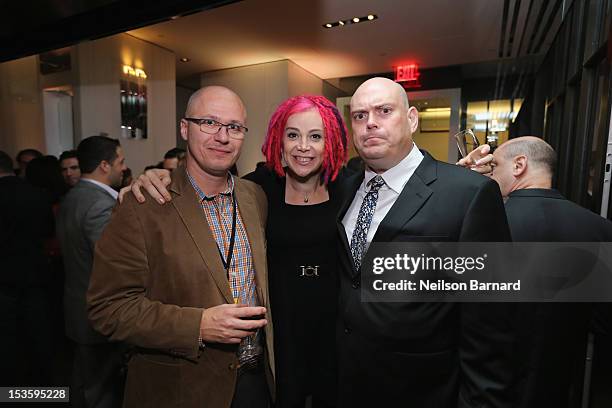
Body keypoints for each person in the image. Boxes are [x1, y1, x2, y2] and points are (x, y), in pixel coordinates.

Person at [123, 94, 348, 408]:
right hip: (277, 334)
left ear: (331, 142)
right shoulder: (260, 187)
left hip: (334, 332)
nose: (303, 146)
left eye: (316, 136)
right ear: (278, 140)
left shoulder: (349, 188)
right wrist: (155, 176)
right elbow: (197, 187)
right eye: (293, 135)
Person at [87, 86, 273, 408]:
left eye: (234, 127)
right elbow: (108, 308)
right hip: (182, 389)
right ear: (185, 128)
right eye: (209, 123)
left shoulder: (254, 196)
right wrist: (197, 326)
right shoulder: (143, 203)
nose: (222, 136)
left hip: (255, 382)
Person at [336, 77, 512, 407]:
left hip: (425, 391)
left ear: (412, 119)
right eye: (359, 116)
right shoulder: (344, 190)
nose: (370, 122)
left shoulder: (468, 195)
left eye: (384, 111)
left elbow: (490, 328)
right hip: (347, 386)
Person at [459, 136, 612, 407]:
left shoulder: (484, 223)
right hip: (558, 381)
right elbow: (603, 322)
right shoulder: (599, 228)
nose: (491, 173)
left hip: (489, 380)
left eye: (495, 166)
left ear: (519, 165)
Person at [56, 136, 127, 408]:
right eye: (120, 161)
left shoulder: (72, 197)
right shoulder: (100, 205)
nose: (124, 167)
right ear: (104, 165)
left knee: (85, 382)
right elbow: (113, 264)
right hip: (97, 314)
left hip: (77, 306)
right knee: (100, 390)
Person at [0, 150, 55, 386]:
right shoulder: (36, 194)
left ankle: (12, 389)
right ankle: (43, 388)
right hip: (35, 273)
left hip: (3, 278)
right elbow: (47, 231)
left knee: (8, 338)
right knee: (38, 334)